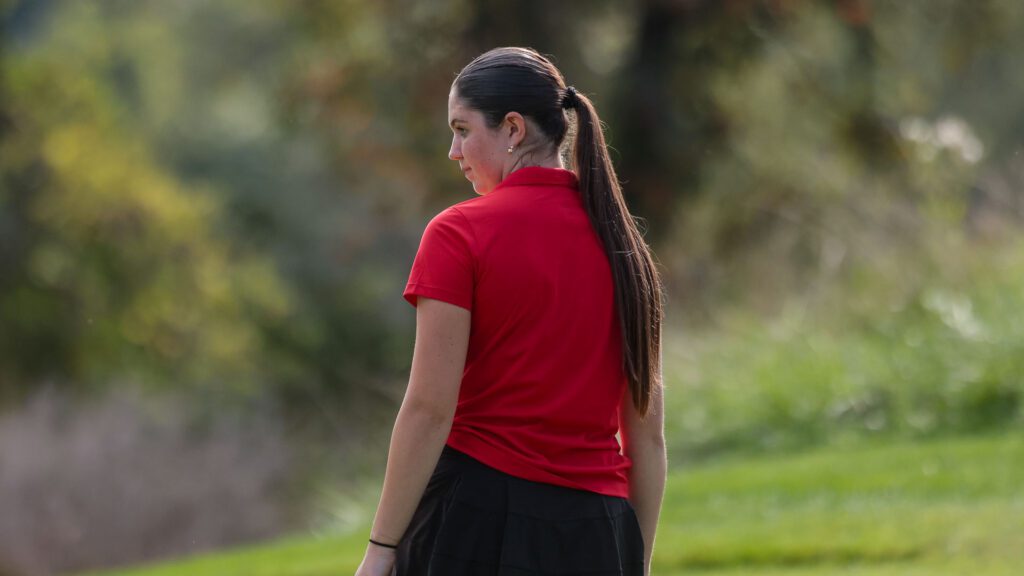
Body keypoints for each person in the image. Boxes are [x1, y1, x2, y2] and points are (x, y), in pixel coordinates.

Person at [355, 46, 666, 576]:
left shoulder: (458, 232)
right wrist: (632, 559)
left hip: (473, 518)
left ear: (513, 129)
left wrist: (381, 548)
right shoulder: (624, 245)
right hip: (597, 530)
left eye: (462, 128)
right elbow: (647, 431)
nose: (454, 151)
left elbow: (430, 410)